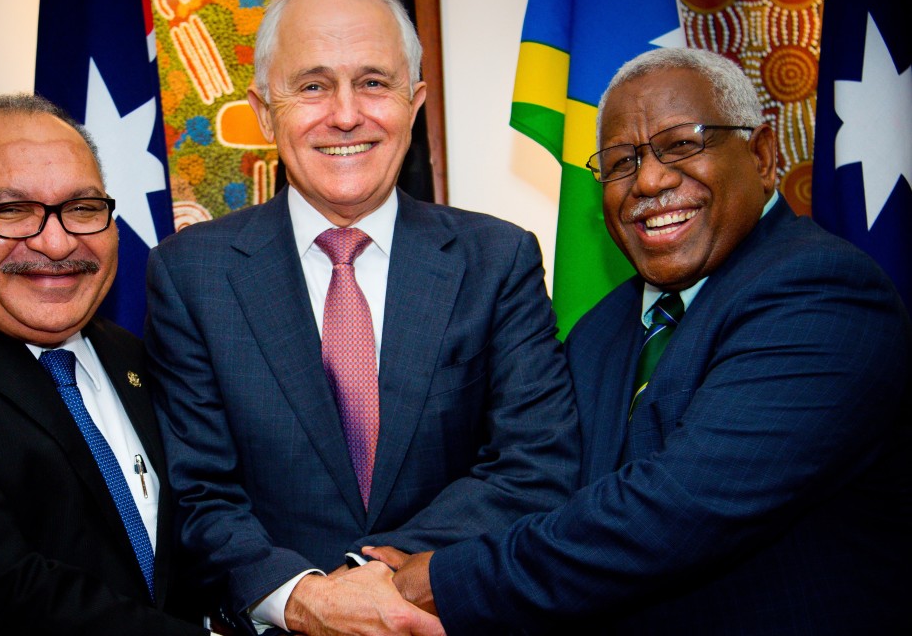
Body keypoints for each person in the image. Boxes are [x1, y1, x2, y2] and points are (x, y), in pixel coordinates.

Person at [369, 47, 912, 633]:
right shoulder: (600, 329)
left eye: (682, 144)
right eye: (621, 161)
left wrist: (442, 580)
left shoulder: (825, 293)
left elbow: (679, 507)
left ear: (761, 155)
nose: (649, 180)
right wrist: (379, 566)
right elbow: (542, 481)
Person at [144, 0, 575, 636]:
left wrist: (364, 579)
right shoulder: (189, 275)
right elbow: (199, 492)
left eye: (374, 83)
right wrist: (301, 598)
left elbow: (534, 464)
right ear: (264, 111)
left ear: (415, 99)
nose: (346, 114)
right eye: (312, 86)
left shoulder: (499, 259)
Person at [0, 94, 211, 635]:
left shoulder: (136, 356)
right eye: (12, 211)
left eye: (83, 208)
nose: (58, 242)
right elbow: (3, 595)